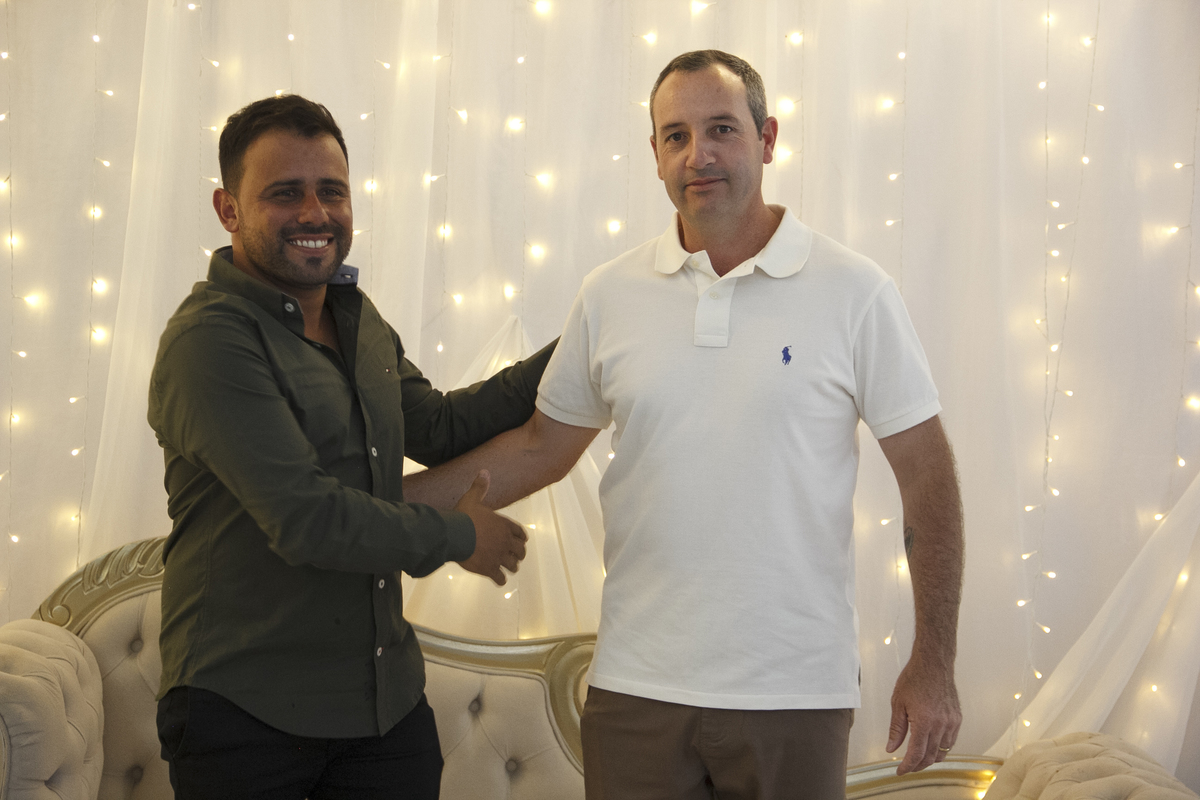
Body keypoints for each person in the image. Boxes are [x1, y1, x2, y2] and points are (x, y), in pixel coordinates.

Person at [405, 50, 964, 799]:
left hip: (793, 692)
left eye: (722, 129)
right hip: (636, 688)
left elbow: (927, 475)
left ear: (768, 139)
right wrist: (377, 509)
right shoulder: (610, 293)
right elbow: (539, 448)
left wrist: (934, 661)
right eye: (676, 136)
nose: (698, 155)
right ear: (656, 154)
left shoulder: (856, 292)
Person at [147, 94, 550, 799]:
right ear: (227, 209)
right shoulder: (209, 339)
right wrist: (459, 535)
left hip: (384, 708)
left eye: (331, 191)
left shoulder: (355, 317)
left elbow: (441, 426)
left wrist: (583, 346)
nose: (315, 213)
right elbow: (306, 517)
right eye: (285, 193)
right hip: (243, 715)